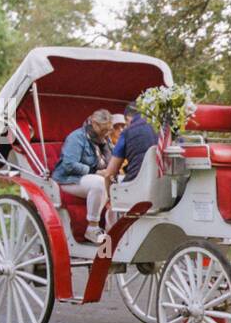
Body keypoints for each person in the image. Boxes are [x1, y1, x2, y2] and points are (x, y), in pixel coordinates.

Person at [52, 109, 113, 244]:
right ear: (94, 124)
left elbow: (110, 160)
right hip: (69, 179)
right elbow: (69, 164)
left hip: (96, 176)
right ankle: (92, 227)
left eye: (109, 130)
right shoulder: (76, 138)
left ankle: (114, 228)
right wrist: (94, 171)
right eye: (104, 130)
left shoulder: (104, 139)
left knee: (122, 182)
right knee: (99, 183)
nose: (107, 134)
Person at [101, 104, 159, 184]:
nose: (121, 129)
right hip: (159, 183)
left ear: (127, 118)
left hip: (135, 184)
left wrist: (107, 194)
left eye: (124, 125)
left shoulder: (127, 132)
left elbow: (109, 174)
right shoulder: (159, 127)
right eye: (116, 127)